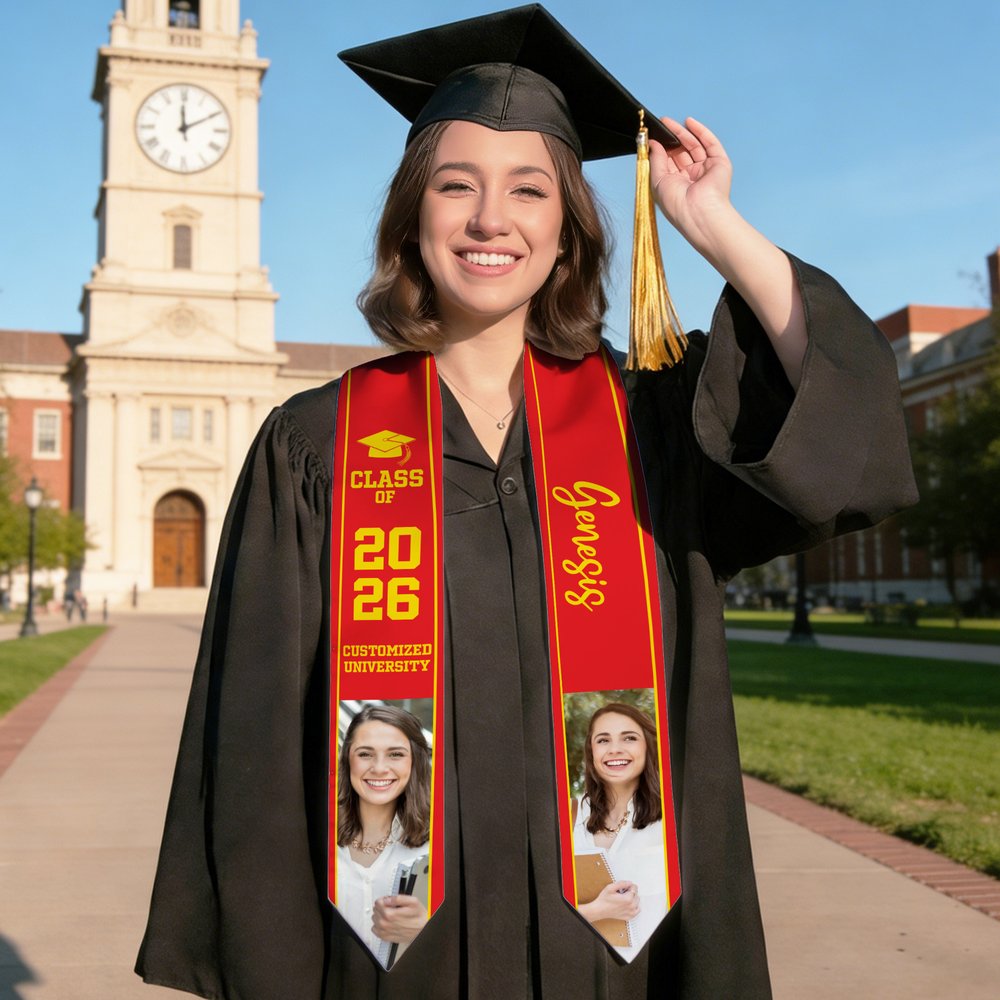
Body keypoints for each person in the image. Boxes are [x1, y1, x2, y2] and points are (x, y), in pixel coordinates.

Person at [135, 6, 917, 999]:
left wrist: (711, 225)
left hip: (617, 956)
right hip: (393, 958)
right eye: (455, 184)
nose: (489, 218)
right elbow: (255, 749)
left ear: (567, 230)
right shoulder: (317, 445)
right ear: (412, 218)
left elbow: (838, 422)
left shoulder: (651, 424)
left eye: (529, 189)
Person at [335, 704, 431, 966]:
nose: (379, 768)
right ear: (347, 759)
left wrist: (428, 931)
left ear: (415, 762)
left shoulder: (437, 849)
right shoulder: (316, 843)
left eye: (395, 754)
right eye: (365, 754)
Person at [573, 703, 666, 958]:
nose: (615, 749)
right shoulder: (567, 818)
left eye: (629, 738)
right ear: (591, 751)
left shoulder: (674, 819)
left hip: (653, 967)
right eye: (603, 740)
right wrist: (596, 911)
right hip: (583, 965)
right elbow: (544, 913)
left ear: (648, 746)